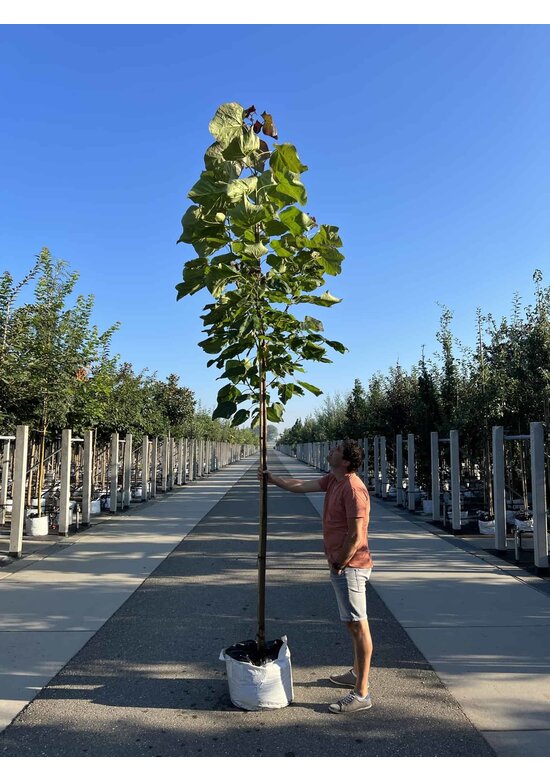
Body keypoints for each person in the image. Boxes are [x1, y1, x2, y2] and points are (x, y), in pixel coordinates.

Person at [258, 439, 374, 714]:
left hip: (351, 566)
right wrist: (271, 478)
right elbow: (300, 485)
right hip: (342, 565)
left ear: (345, 461)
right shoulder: (333, 481)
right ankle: (357, 673)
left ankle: (362, 693)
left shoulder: (354, 489)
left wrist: (339, 563)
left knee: (359, 625)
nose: (331, 451)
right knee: (351, 624)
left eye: (336, 450)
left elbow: (357, 535)